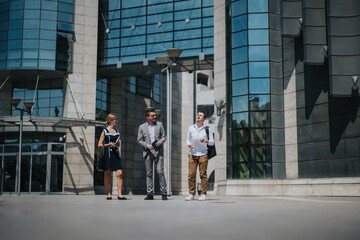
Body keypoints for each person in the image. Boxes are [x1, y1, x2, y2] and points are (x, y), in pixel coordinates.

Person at [137, 109, 168, 200]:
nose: (155, 117)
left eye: (155, 115)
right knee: (149, 173)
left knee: (160, 172)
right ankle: (150, 194)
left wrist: (160, 142)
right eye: (153, 116)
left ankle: (164, 193)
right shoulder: (142, 127)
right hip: (148, 151)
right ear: (147, 117)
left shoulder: (160, 125)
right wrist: (147, 145)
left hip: (158, 151)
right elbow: (139, 139)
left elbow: (164, 136)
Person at [185, 111, 214, 201]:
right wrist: (189, 144)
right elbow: (187, 140)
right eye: (197, 115)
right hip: (192, 153)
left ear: (204, 119)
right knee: (191, 175)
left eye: (200, 115)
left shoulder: (207, 129)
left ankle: (203, 194)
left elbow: (212, 142)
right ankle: (191, 194)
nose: (198, 116)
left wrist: (206, 141)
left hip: (203, 154)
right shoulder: (191, 128)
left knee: (203, 175)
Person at [97, 113, 126, 200]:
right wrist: (108, 144)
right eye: (115, 120)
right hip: (107, 154)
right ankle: (108, 194)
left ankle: (119, 194)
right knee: (107, 174)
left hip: (115, 154)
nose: (116, 121)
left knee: (119, 173)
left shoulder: (117, 131)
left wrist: (117, 144)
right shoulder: (104, 131)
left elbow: (119, 144)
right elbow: (99, 145)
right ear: (110, 121)